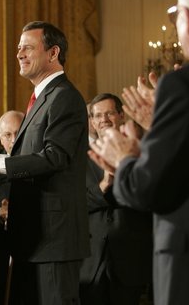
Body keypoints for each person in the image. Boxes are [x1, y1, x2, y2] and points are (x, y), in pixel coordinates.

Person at [89, 0, 189, 304]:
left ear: (185, 20)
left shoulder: (185, 84)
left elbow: (148, 189)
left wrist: (125, 158)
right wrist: (159, 129)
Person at [0, 21, 89, 304]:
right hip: (34, 237)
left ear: (53, 53)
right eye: (19, 49)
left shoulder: (64, 97)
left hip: (54, 238)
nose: (19, 54)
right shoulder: (42, 98)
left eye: (27, 48)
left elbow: (55, 157)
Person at [79, 93, 152, 305]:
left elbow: (150, 198)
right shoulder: (79, 157)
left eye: (110, 113)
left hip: (131, 256)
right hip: (90, 260)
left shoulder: (141, 151)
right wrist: (103, 186)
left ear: (121, 115)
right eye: (98, 115)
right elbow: (73, 204)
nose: (104, 119)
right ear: (91, 121)